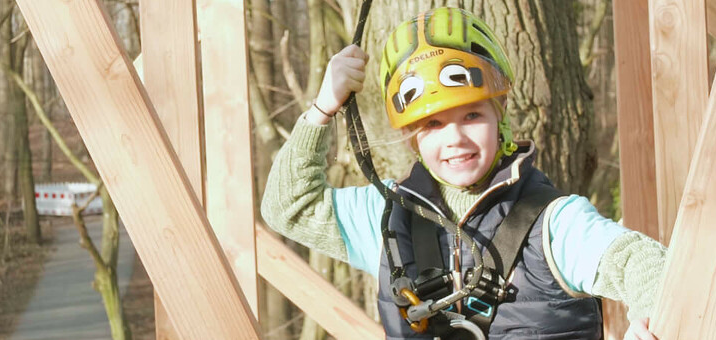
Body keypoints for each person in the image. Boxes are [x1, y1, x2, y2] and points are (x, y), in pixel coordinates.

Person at [261, 7, 668, 340]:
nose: (454, 138)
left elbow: (642, 263)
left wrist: (650, 319)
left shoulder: (554, 224)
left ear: (500, 115)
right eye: (433, 124)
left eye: (472, 115)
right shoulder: (387, 215)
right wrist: (323, 107)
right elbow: (289, 207)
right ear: (411, 138)